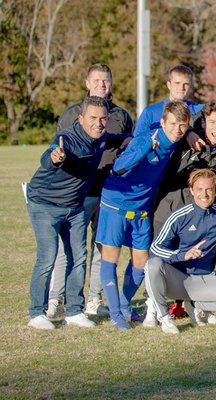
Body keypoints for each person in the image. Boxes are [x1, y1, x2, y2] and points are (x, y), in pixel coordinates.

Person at [46, 63, 134, 319]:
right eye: (96, 80)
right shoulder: (73, 113)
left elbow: (128, 147)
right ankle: (56, 299)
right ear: (87, 83)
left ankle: (94, 299)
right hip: (78, 191)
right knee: (69, 248)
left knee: (102, 247)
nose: (101, 85)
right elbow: (58, 148)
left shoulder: (122, 116)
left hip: (109, 192)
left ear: (111, 83)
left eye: (106, 80)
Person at [97, 101, 190, 330]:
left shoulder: (175, 143)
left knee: (141, 263)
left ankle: (123, 305)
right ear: (162, 122)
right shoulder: (146, 138)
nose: (177, 130)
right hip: (116, 203)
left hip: (141, 209)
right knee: (111, 257)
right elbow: (119, 167)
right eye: (173, 124)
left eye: (182, 125)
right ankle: (116, 316)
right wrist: (146, 147)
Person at [26, 96, 109, 330]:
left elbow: (121, 139)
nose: (98, 123)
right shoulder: (68, 138)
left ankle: (74, 311)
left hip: (75, 207)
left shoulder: (102, 138)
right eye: (93, 118)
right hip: (45, 204)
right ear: (81, 118)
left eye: (103, 118)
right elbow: (50, 154)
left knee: (79, 258)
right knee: (47, 257)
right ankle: (36, 314)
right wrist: (55, 157)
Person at [144, 169, 216, 333]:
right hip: (178, 281)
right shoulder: (179, 216)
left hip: (203, 280)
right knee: (152, 265)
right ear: (192, 191)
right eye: (199, 189)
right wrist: (182, 255)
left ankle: (194, 304)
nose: (204, 194)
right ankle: (164, 317)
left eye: (209, 189)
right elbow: (155, 248)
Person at [153, 100, 216, 237]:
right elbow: (168, 127)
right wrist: (188, 132)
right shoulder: (185, 141)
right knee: (157, 258)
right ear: (203, 123)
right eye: (212, 122)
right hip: (169, 212)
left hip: (200, 222)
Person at [133, 65, 203, 137]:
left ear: (191, 86)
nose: (181, 88)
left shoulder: (200, 110)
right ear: (169, 85)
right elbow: (136, 142)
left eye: (186, 84)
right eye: (177, 83)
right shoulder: (150, 112)